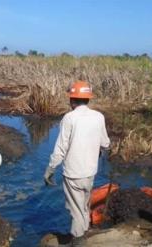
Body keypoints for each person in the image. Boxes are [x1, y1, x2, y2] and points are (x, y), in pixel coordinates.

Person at [44, 80, 110, 246]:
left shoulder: (69, 118)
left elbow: (60, 148)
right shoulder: (99, 116)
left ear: (72, 100)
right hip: (90, 172)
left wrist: (50, 169)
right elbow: (106, 143)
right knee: (84, 205)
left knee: (75, 210)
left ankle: (78, 241)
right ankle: (85, 231)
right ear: (88, 99)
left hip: (73, 174)